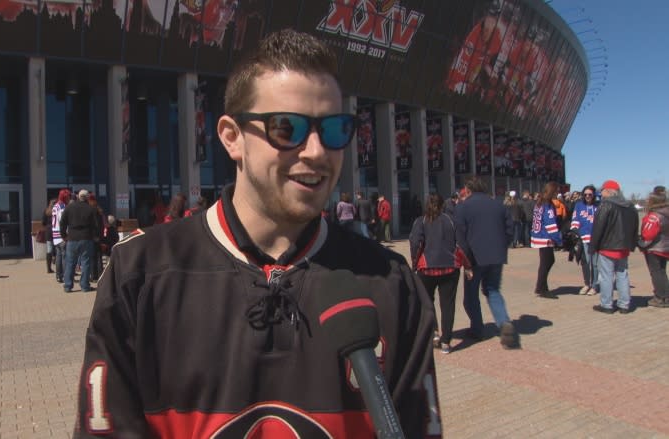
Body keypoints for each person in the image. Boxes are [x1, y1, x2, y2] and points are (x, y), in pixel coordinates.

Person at [73, 29, 440, 438]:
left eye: (335, 129)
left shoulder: (390, 283)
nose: (317, 151)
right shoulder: (141, 276)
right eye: (288, 128)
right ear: (232, 138)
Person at [454, 177, 518, 349]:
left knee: (470, 296)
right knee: (493, 290)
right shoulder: (499, 205)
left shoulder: (463, 207)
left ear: (468, 190)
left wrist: (465, 261)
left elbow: (460, 236)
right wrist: (502, 245)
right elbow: (510, 230)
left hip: (474, 258)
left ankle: (477, 328)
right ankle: (503, 322)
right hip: (496, 256)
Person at [410, 193, 472, 354]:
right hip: (450, 267)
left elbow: (416, 244)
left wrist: (414, 264)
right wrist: (467, 266)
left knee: (427, 302)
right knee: (448, 305)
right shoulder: (450, 221)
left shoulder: (421, 221)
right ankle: (446, 342)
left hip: (427, 268)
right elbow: (460, 245)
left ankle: (434, 332)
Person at [590, 179, 639, 314]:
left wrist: (593, 247)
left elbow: (598, 227)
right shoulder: (630, 206)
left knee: (606, 276)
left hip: (607, 246)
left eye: (603, 190)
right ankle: (624, 304)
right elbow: (635, 226)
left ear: (608, 191)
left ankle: (607, 304)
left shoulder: (605, 205)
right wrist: (632, 244)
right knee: (622, 275)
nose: (601, 193)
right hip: (623, 247)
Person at [59, 189, 99, 293]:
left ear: (78, 197)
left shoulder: (69, 207)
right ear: (87, 198)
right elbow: (95, 225)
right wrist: (95, 236)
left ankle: (68, 286)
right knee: (86, 263)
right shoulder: (91, 209)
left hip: (72, 238)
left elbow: (62, 223)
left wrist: (64, 236)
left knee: (70, 263)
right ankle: (85, 286)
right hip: (86, 238)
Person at [530, 182, 563, 299]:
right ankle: (541, 288)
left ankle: (541, 286)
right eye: (556, 191)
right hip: (545, 237)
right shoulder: (548, 204)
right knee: (546, 263)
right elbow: (550, 224)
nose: (558, 193)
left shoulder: (539, 203)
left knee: (547, 262)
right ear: (552, 191)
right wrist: (558, 240)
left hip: (538, 235)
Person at [640, 189, 669, 307]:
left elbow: (648, 234)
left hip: (655, 248)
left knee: (656, 272)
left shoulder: (654, 216)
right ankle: (664, 294)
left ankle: (662, 296)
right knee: (662, 272)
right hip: (665, 247)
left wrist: (641, 242)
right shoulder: (666, 213)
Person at [570, 185, 599, 295]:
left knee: (595, 263)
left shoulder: (598, 206)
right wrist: (575, 232)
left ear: (593, 195)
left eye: (590, 194)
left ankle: (595, 286)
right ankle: (587, 284)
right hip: (583, 238)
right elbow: (575, 220)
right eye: (585, 194)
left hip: (595, 239)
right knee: (585, 262)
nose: (587, 196)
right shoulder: (579, 205)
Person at [51, 189, 71, 283]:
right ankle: (65, 276)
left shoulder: (55, 206)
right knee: (64, 257)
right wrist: (66, 234)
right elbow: (63, 221)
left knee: (59, 256)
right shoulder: (62, 207)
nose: (69, 198)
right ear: (65, 197)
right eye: (68, 197)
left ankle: (58, 276)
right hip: (61, 235)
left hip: (55, 235)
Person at [42, 198, 56, 274]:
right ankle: (57, 265)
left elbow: (43, 222)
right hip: (56, 232)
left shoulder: (46, 211)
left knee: (49, 250)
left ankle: (48, 268)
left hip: (48, 232)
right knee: (57, 249)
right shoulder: (56, 211)